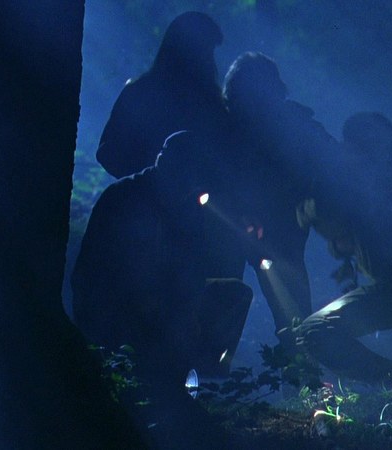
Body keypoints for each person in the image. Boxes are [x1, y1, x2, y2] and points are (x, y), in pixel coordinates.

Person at [72, 131, 255, 385]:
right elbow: (103, 269)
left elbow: (193, 265)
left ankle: (204, 378)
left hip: (164, 297)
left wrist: (187, 302)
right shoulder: (124, 197)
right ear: (166, 164)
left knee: (235, 294)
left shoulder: (186, 206)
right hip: (114, 301)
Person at [292, 112, 392, 386]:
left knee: (315, 331)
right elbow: (344, 229)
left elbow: (324, 211)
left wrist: (308, 204)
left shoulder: (371, 179)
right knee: (317, 330)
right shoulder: (381, 177)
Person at [222, 52, 340, 350]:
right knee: (288, 312)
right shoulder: (229, 125)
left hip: (266, 228)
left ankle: (299, 367)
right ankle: (299, 367)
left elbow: (329, 158)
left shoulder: (233, 124)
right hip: (245, 225)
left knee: (291, 313)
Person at [96, 12, 229, 179]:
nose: (211, 61)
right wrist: (150, 176)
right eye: (207, 52)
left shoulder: (211, 102)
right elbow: (108, 152)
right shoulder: (140, 94)